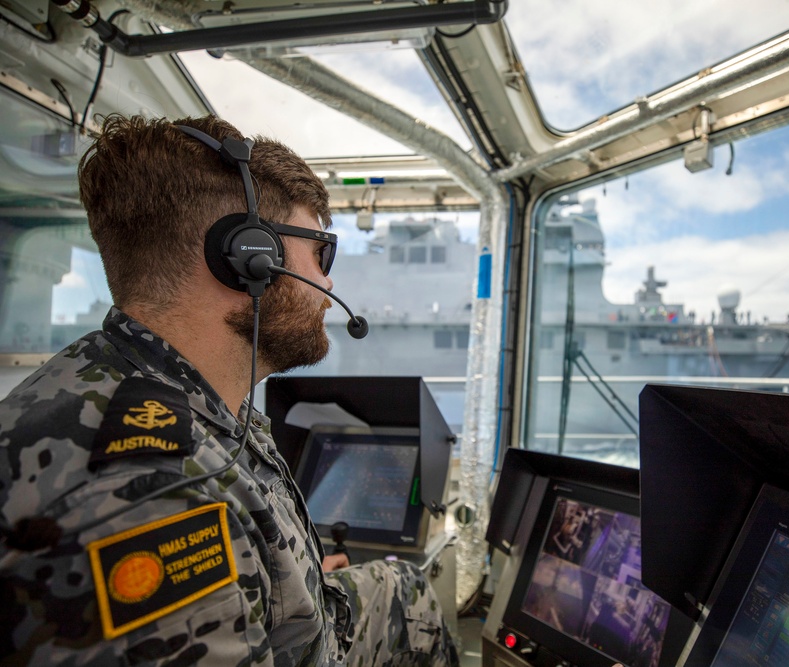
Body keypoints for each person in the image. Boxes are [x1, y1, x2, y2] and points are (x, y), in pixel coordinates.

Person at [0, 114, 459, 666]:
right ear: (247, 259)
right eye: (321, 251)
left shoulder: (134, 382)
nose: (329, 282)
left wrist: (298, 580)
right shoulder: (153, 497)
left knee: (403, 587)